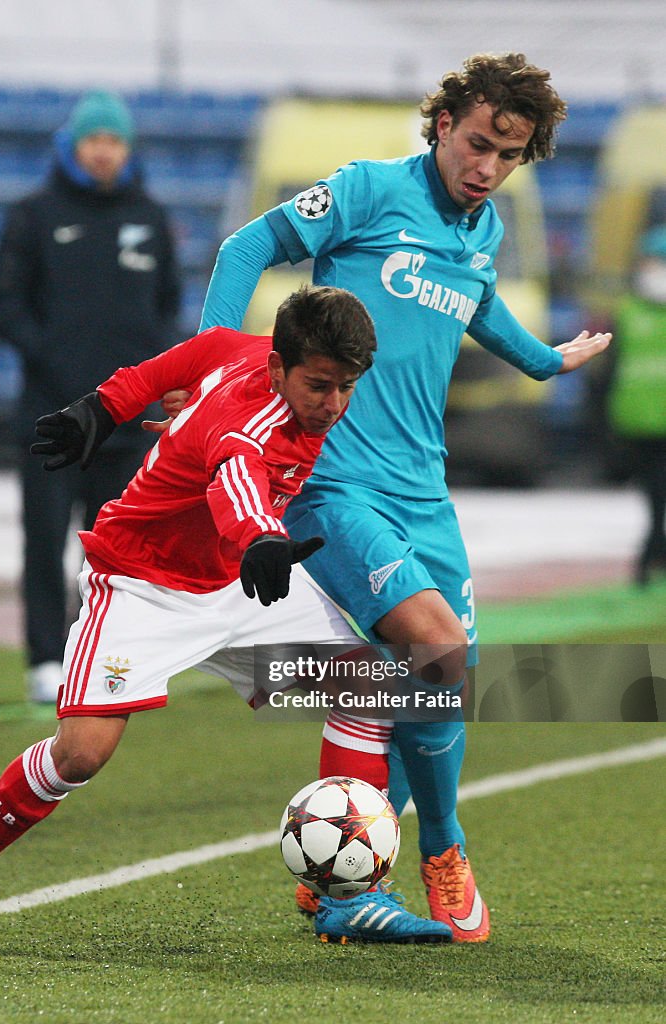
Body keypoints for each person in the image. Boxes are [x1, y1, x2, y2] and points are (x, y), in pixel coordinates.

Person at [0, 286, 452, 948]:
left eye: (347, 387)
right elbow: (234, 473)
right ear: (278, 368)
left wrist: (107, 405)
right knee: (80, 755)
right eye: (321, 386)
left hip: (238, 585)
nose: (335, 405)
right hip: (143, 584)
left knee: (368, 687)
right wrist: (260, 537)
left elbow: (194, 354)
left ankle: (346, 897)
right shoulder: (251, 421)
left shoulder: (247, 351)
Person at [197, 52, 612, 943]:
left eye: (508, 156)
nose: (486, 167)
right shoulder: (369, 190)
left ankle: (347, 870)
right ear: (443, 124)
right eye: (476, 144)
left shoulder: (485, 229)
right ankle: (440, 848)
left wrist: (546, 360)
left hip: (425, 489)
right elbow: (246, 246)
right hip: (336, 478)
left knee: (438, 684)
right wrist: (210, 374)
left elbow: (478, 305)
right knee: (435, 647)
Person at [0, 89, 181, 704]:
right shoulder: (33, 215)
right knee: (45, 543)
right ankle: (46, 659)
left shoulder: (151, 218)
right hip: (51, 419)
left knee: (116, 549)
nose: (105, 152)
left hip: (125, 424)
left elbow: (167, 306)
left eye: (115, 141)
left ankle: (100, 659)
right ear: (73, 146)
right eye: (95, 140)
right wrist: (53, 357)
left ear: (127, 148)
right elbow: (3, 302)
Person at [607, 225, 666, 585]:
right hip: (639, 422)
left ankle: (652, 555)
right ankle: (652, 555)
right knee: (654, 495)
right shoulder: (626, 312)